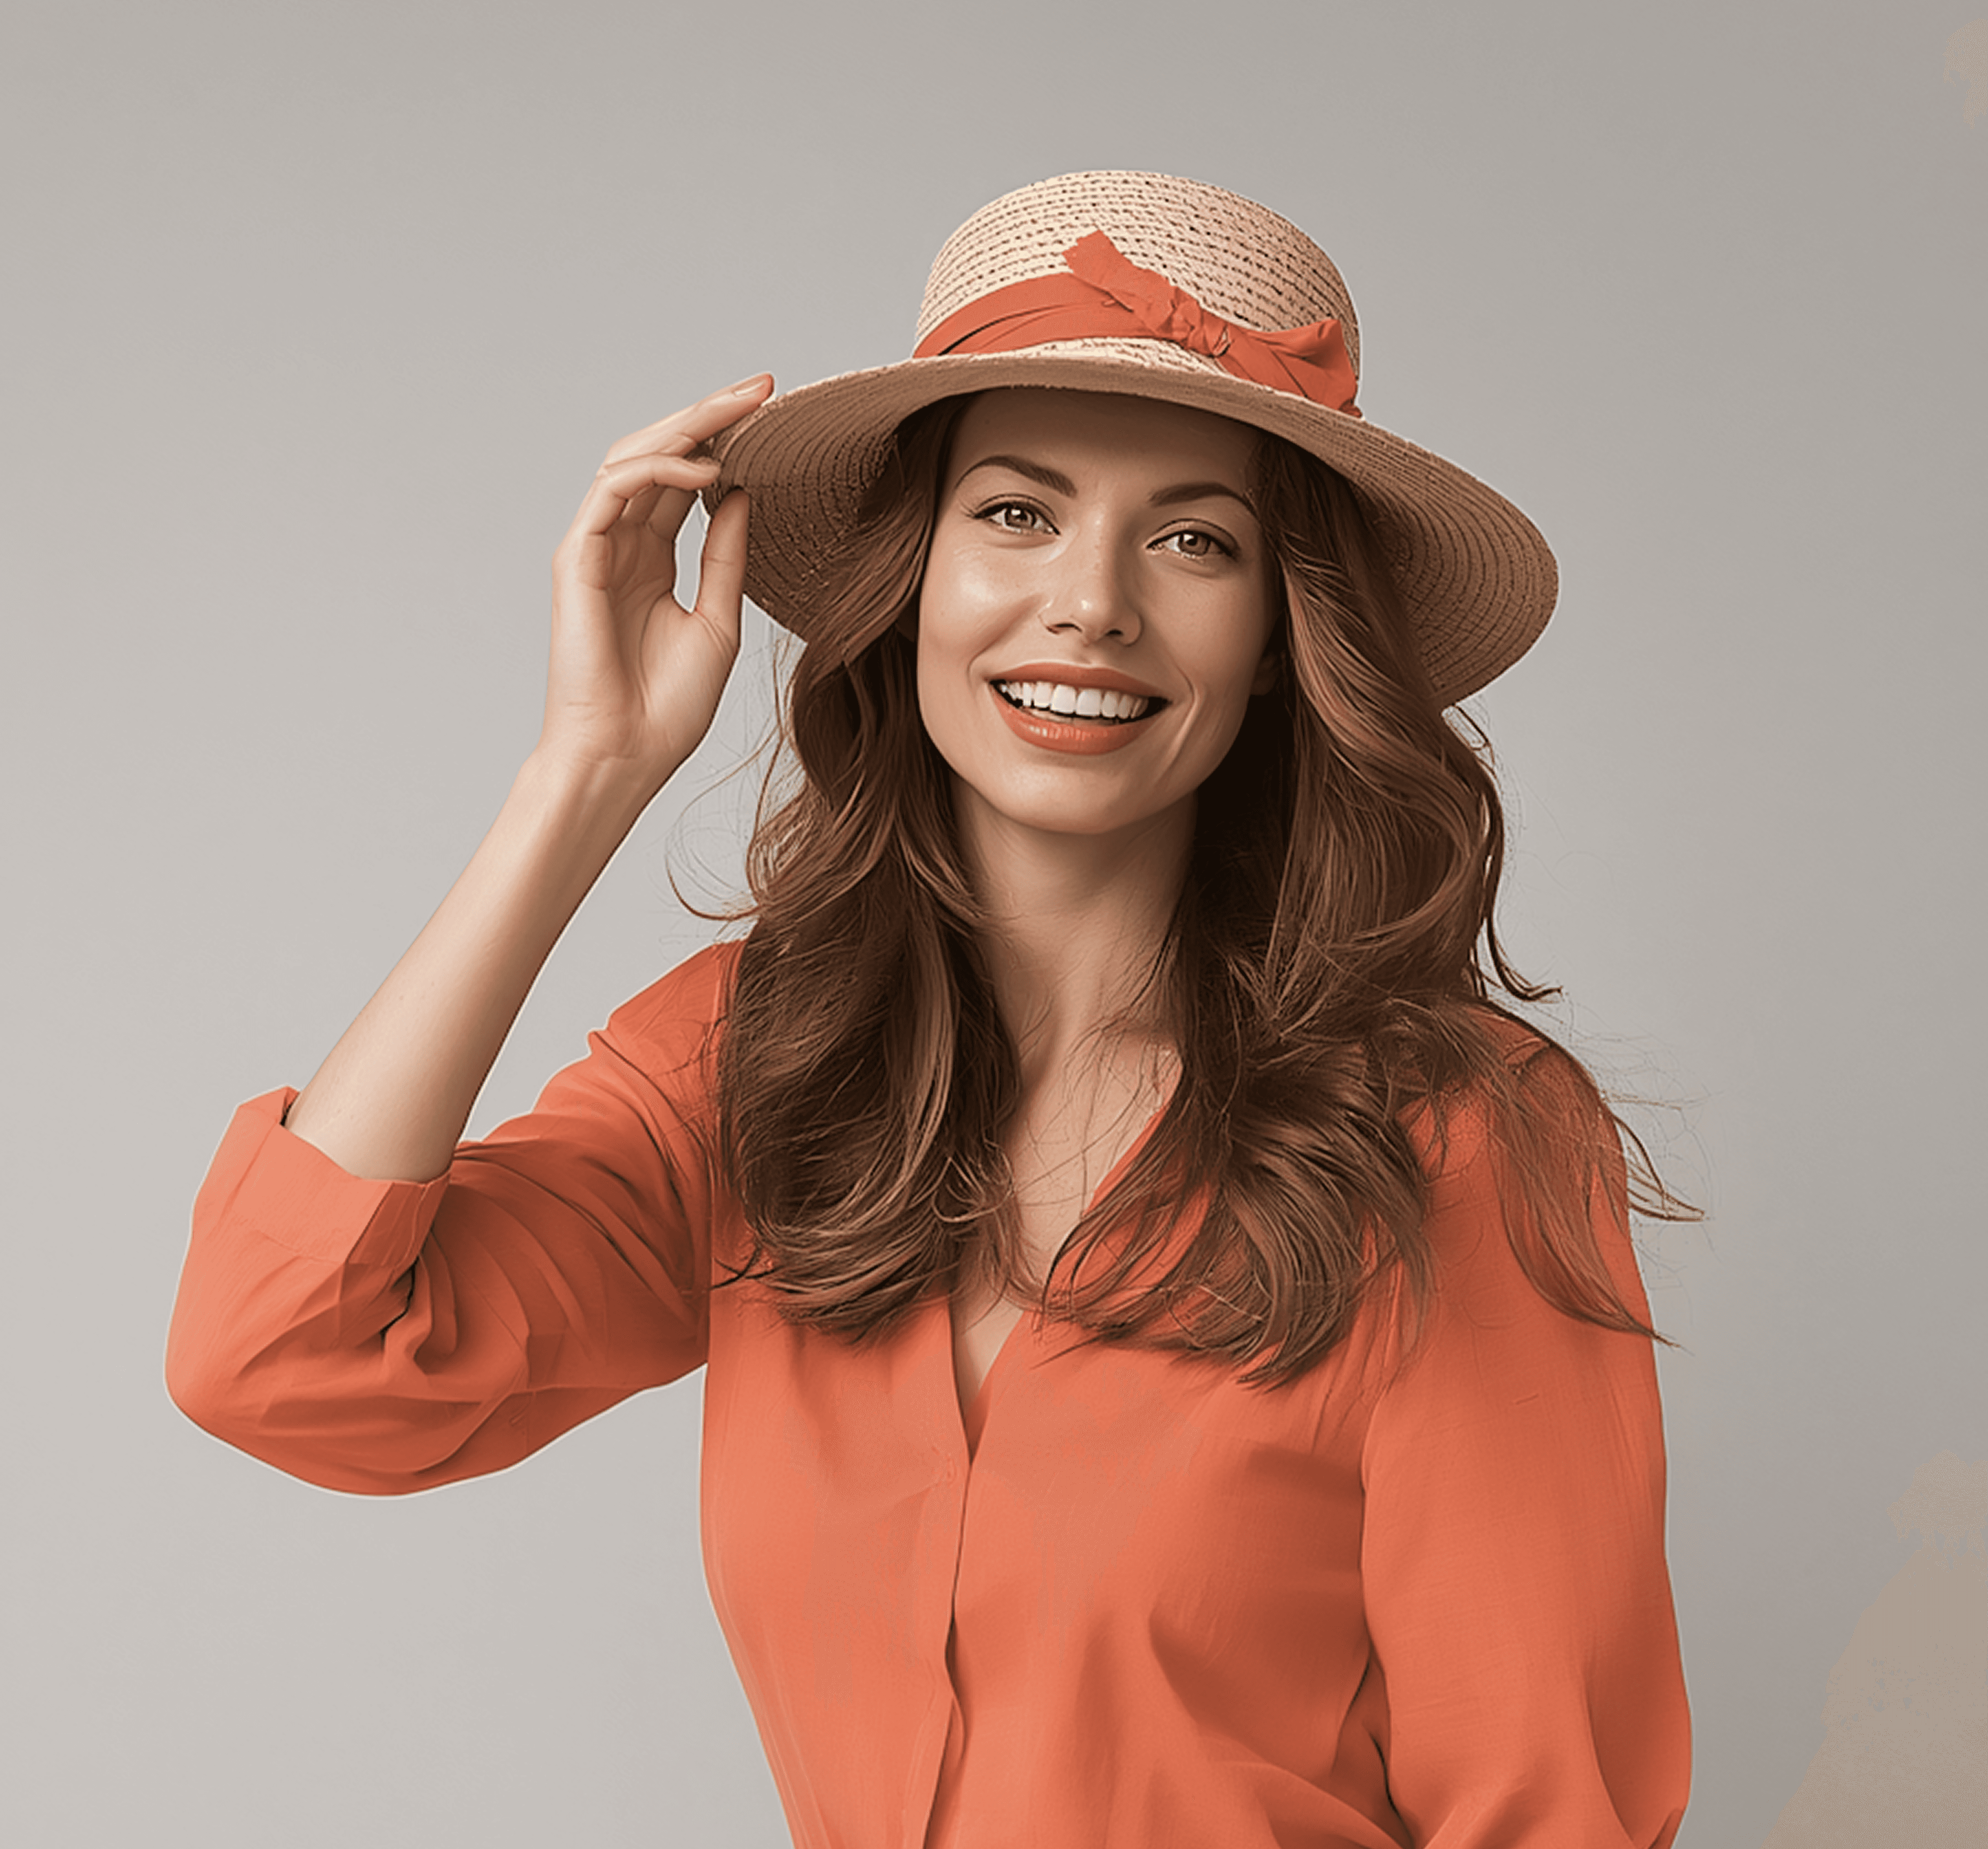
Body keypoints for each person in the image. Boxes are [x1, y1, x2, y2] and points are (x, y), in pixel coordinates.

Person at [166, 171, 1692, 1847]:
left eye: (1196, 538)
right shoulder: (752, 1066)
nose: (1093, 602)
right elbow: (292, 1359)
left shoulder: (1457, 1130)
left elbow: (1549, 1809)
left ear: (1276, 636)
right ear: (913, 584)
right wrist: (581, 780)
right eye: (1017, 514)